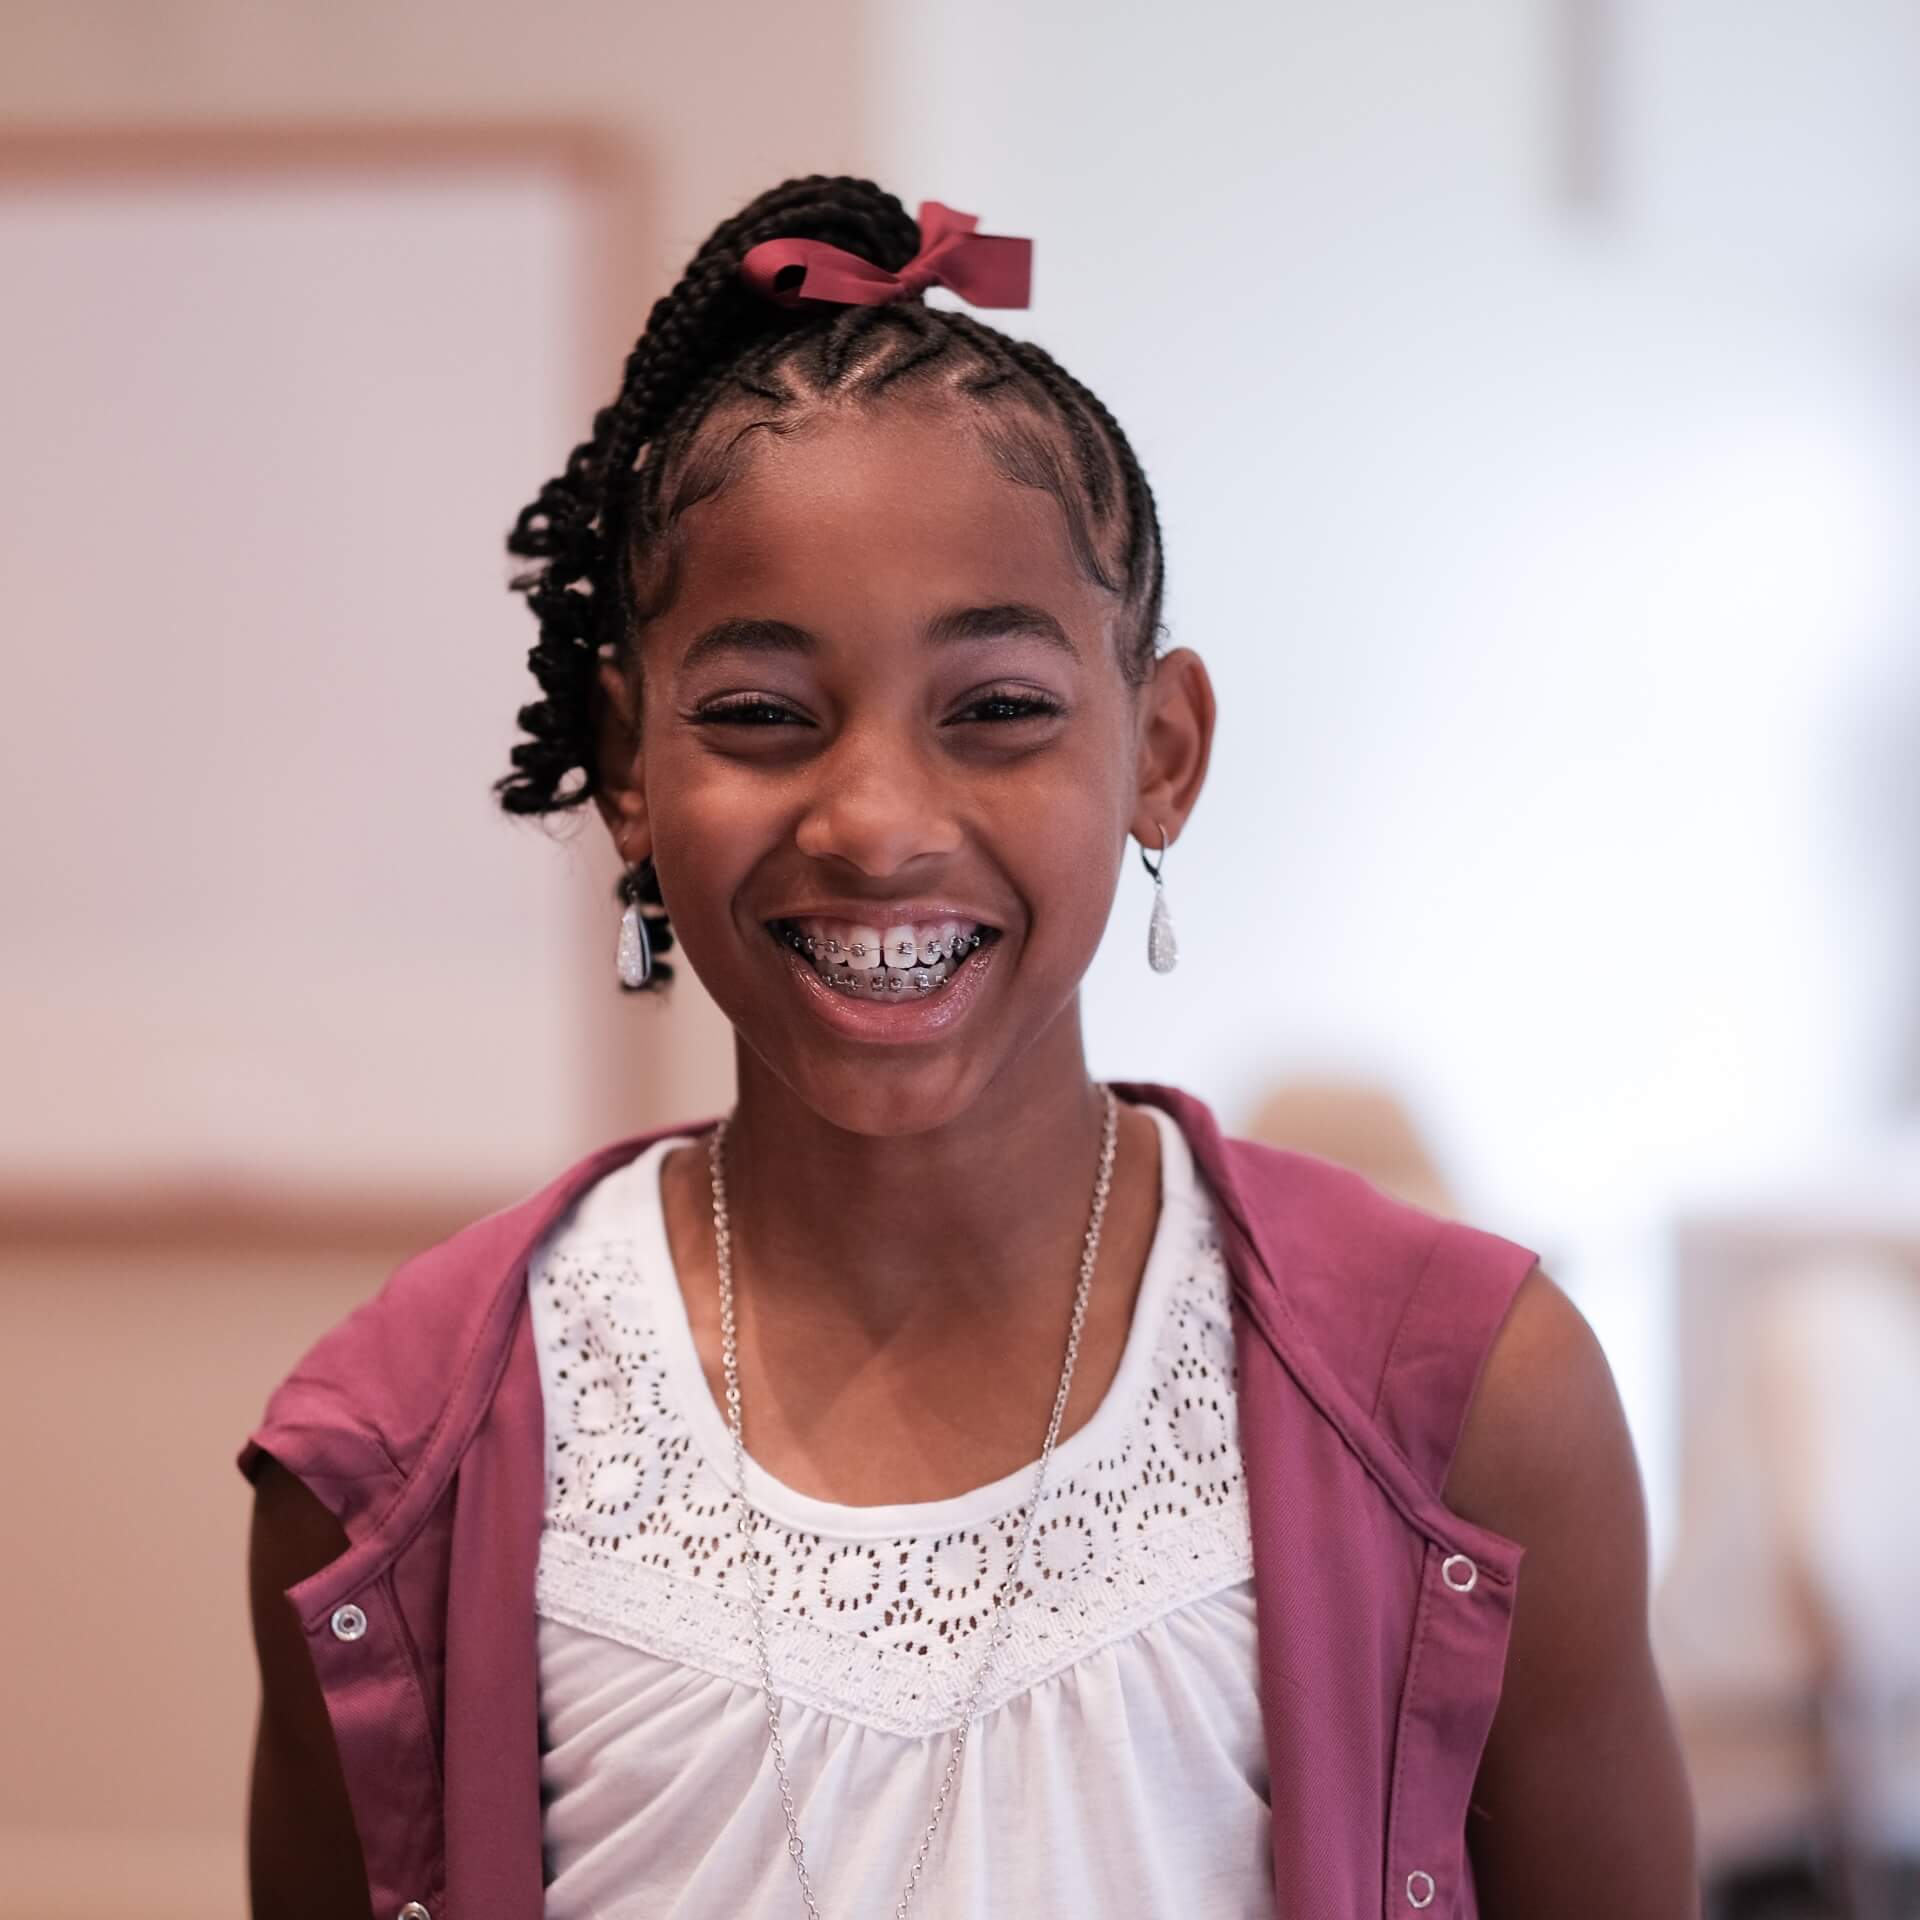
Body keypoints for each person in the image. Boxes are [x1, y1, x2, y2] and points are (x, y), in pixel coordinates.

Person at [240, 176, 1697, 1920]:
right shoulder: (401, 1461)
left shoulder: (1476, 1403)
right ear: (629, 764)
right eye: (761, 718)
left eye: (998, 710)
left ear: (1159, 750)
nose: (876, 823)